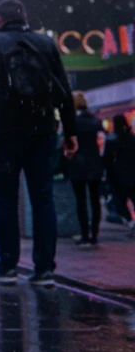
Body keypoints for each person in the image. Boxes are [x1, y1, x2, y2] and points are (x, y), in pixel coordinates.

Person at [0, 0, 76, 286]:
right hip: (42, 130)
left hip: (4, 132)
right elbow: (63, 91)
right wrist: (70, 132)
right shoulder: (45, 44)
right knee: (43, 198)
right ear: (25, 18)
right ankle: (44, 269)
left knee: (5, 199)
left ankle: (7, 266)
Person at [66, 92, 105, 248]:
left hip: (78, 165)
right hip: (95, 164)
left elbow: (68, 146)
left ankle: (84, 235)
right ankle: (94, 235)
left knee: (81, 200)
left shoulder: (73, 122)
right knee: (95, 200)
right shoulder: (96, 121)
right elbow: (102, 144)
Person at [104, 113, 135, 231]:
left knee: (119, 202)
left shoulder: (112, 139)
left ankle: (129, 220)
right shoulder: (132, 138)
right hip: (132, 173)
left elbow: (107, 158)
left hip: (117, 174)